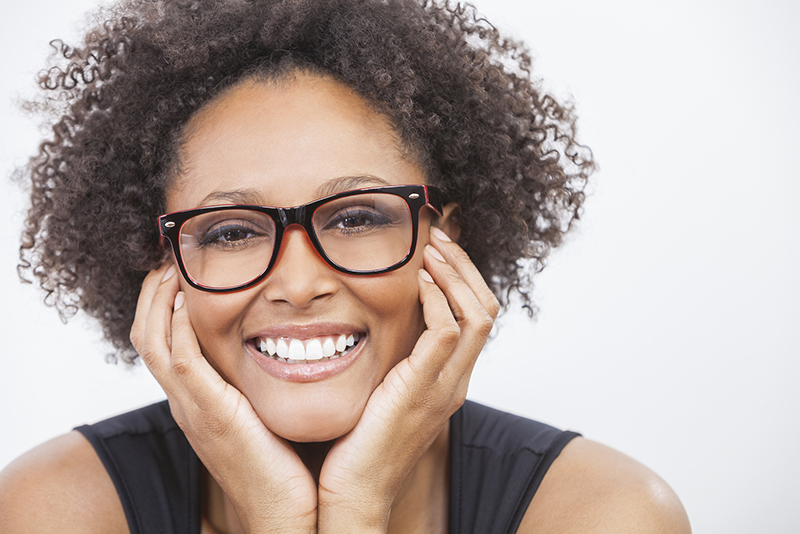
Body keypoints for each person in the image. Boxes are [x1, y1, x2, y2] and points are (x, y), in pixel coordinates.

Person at [0, 0, 691, 532]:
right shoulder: (56, 510)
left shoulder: (604, 512)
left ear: (443, 243)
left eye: (357, 218)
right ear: (163, 266)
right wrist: (279, 517)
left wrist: (355, 509)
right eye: (234, 231)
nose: (299, 285)